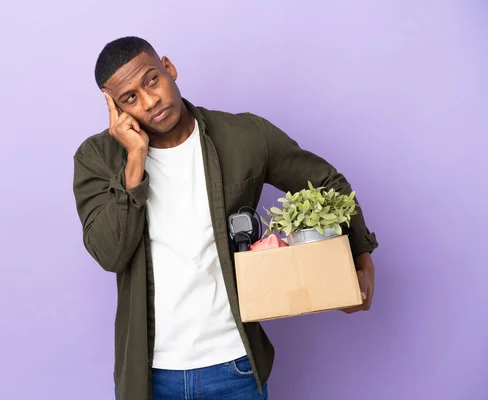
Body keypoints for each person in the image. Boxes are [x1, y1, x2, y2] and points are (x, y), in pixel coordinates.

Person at [72, 36, 378, 400]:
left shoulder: (244, 135)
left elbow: (328, 184)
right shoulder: (97, 159)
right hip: (149, 377)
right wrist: (135, 159)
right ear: (114, 107)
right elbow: (110, 253)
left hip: (235, 366)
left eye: (152, 80)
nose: (150, 101)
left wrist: (361, 264)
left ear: (168, 68)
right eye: (130, 98)